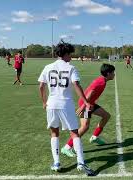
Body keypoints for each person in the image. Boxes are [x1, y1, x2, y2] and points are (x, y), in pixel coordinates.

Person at [38, 41, 95, 175]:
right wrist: (86, 102)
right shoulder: (71, 68)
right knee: (74, 133)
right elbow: (76, 85)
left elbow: (41, 86)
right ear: (66, 54)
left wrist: (44, 102)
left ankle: (56, 162)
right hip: (66, 104)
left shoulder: (48, 67)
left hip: (51, 104)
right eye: (70, 54)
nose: (71, 57)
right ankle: (81, 162)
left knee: (54, 133)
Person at [61, 63, 115, 157]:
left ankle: (94, 137)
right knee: (84, 127)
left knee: (106, 116)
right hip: (86, 105)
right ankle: (67, 147)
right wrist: (83, 107)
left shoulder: (102, 80)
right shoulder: (101, 82)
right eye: (113, 72)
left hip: (90, 104)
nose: (114, 74)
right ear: (108, 73)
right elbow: (90, 93)